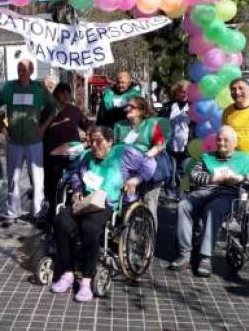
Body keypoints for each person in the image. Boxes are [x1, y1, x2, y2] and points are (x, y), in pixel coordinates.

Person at [51, 126, 156, 302]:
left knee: (90, 227)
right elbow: (76, 174)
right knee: (61, 221)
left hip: (107, 204)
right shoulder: (86, 156)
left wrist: (135, 179)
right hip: (85, 202)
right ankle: (67, 273)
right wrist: (77, 189)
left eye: (98, 141)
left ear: (109, 142)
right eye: (91, 141)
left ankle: (86, 280)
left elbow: (150, 164)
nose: (93, 145)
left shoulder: (123, 153)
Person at [170, 126, 249, 277]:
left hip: (230, 194)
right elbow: (193, 176)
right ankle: (185, 254)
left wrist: (242, 178)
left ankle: (205, 257)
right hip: (205, 190)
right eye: (219, 139)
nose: (221, 143)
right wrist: (212, 178)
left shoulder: (247, 159)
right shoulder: (206, 157)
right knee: (183, 205)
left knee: (213, 209)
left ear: (235, 143)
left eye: (226, 140)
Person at [0, 54, 56, 221]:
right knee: (13, 178)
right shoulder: (9, 88)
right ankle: (13, 211)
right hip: (14, 141)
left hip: (34, 140)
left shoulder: (39, 89)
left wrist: (43, 127)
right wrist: (3, 127)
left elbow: (53, 107)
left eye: (25, 69)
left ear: (32, 71)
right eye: (19, 69)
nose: (22, 72)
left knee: (37, 177)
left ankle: (38, 211)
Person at [113, 96, 172, 227]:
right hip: (125, 169)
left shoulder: (151, 125)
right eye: (126, 106)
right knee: (125, 205)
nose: (127, 108)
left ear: (141, 111)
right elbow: (114, 148)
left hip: (148, 167)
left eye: (132, 107)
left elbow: (159, 145)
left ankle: (149, 242)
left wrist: (148, 155)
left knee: (148, 206)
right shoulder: (119, 126)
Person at [43, 83, 90, 220]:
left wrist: (90, 136)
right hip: (51, 154)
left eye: (68, 92)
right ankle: (51, 212)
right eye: (62, 92)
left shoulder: (74, 110)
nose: (65, 95)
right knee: (51, 185)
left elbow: (86, 126)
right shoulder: (47, 110)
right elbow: (39, 129)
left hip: (71, 154)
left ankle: (68, 211)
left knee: (71, 182)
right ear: (56, 93)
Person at [161, 80, 191, 200]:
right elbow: (161, 123)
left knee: (184, 172)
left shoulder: (193, 107)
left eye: (187, 92)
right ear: (176, 92)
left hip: (187, 145)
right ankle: (170, 194)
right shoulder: (169, 106)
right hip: (171, 144)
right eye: (182, 92)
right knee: (171, 172)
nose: (184, 94)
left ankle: (183, 194)